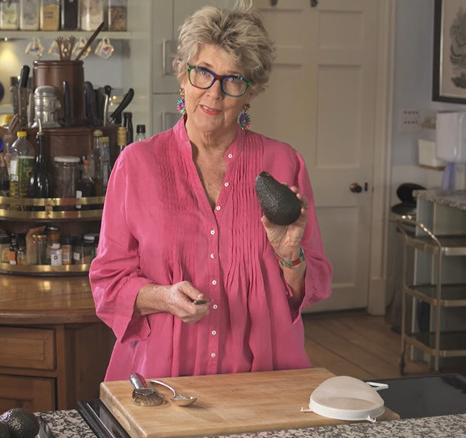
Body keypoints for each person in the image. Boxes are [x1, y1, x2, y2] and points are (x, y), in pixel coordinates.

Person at [89, 3, 332, 381]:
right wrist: (163, 297)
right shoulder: (136, 165)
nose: (214, 93)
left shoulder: (285, 164)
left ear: (251, 93)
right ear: (182, 77)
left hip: (264, 379)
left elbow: (311, 286)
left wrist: (290, 258)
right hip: (163, 379)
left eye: (233, 79)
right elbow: (108, 283)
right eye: (203, 72)